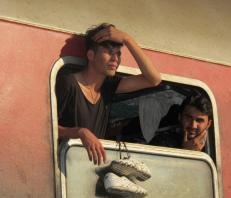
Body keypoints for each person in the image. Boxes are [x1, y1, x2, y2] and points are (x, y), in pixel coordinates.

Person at [56, 23, 161, 165]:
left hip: (88, 169)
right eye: (109, 52)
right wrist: (80, 132)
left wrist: (128, 39)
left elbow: (153, 79)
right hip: (64, 167)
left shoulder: (108, 87)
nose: (115, 59)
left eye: (118, 53)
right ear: (91, 55)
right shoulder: (68, 83)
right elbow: (47, 127)